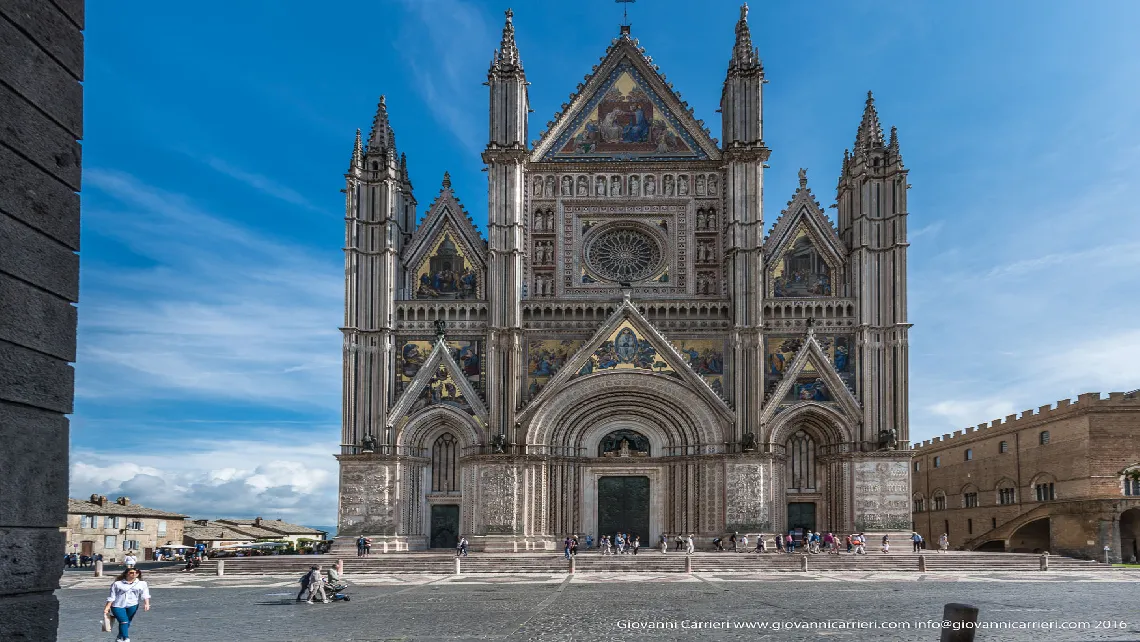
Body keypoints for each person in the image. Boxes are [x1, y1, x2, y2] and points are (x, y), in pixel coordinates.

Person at [104, 567, 150, 642]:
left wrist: (147, 604)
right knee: (124, 621)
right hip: (117, 605)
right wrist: (107, 607)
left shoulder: (142, 583)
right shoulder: (117, 584)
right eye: (131, 572)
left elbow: (145, 594)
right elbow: (112, 596)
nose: (134, 574)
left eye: (136, 572)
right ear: (126, 574)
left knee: (127, 622)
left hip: (133, 605)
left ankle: (119, 637)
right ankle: (126, 638)